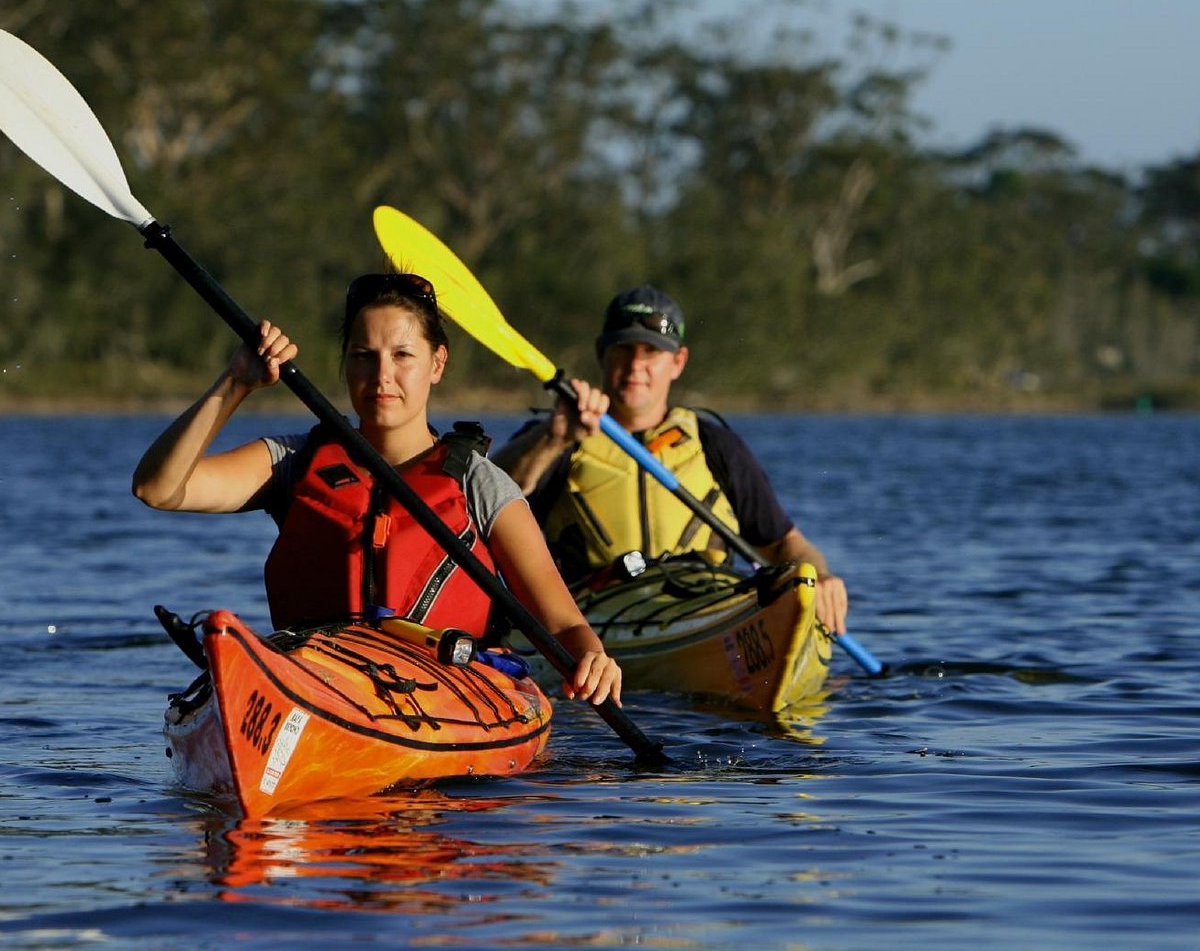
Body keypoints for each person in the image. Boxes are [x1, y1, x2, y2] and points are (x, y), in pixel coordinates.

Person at [132, 271, 621, 706]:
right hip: (316, 687)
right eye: (364, 356)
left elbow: (561, 624)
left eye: (403, 355)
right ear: (344, 364)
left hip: (443, 699)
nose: (382, 375)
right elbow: (158, 488)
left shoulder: (479, 483)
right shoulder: (294, 462)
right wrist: (236, 382)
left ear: (437, 363)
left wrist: (593, 657)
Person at [491, 284, 849, 636]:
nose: (636, 365)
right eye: (624, 349)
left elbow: (785, 544)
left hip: (705, 610)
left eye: (651, 352)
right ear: (602, 354)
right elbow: (482, 504)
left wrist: (818, 576)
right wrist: (553, 439)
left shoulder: (714, 445)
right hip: (598, 619)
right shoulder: (557, 435)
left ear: (678, 362)